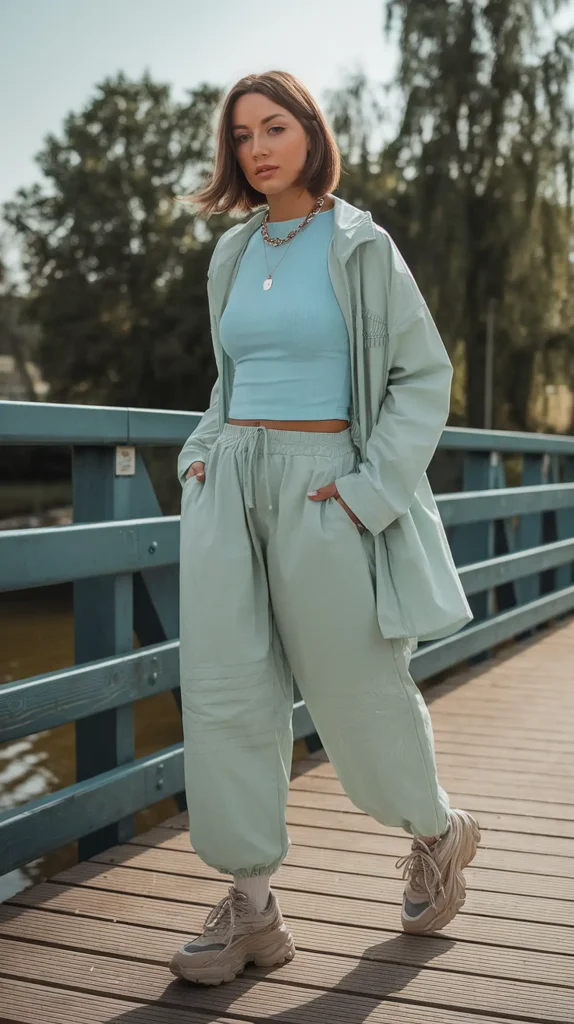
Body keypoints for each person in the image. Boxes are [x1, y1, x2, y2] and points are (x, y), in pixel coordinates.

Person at [169, 70, 479, 988]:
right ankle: (251, 908)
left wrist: (367, 490)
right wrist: (200, 449)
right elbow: (229, 381)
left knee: (359, 691)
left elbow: (423, 376)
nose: (257, 148)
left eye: (274, 128)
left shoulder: (360, 245)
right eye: (241, 136)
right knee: (227, 693)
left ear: (309, 133)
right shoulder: (228, 254)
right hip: (230, 484)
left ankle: (437, 832)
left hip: (325, 490)